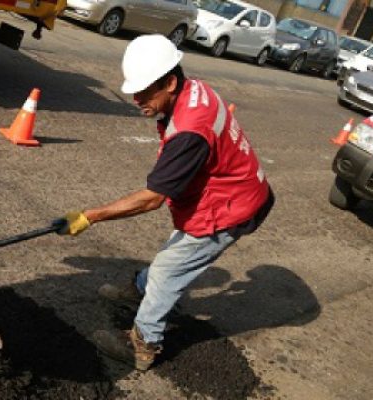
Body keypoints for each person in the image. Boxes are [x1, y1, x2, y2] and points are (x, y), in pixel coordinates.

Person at [56, 34, 274, 371]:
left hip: (229, 208)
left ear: (170, 82)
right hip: (233, 189)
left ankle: (143, 343)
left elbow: (151, 199)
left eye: (144, 91)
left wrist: (90, 216)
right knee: (174, 253)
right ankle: (139, 289)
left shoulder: (189, 128)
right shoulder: (190, 90)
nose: (136, 99)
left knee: (170, 270)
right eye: (134, 90)